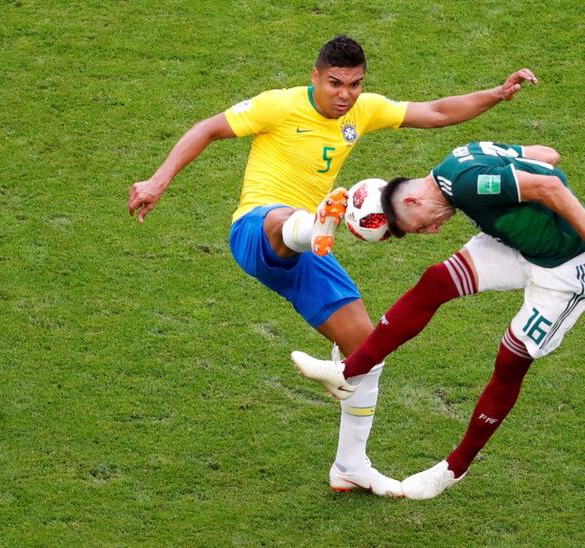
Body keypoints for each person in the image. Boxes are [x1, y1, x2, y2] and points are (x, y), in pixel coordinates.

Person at [128, 35, 541, 497]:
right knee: (282, 218)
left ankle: (350, 466)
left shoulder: (361, 111)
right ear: (315, 77)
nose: (346, 95)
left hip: (309, 252)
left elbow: (436, 112)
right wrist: (158, 180)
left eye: (355, 84)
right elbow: (207, 128)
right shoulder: (277, 106)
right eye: (335, 83)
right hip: (258, 230)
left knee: (367, 347)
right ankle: (317, 221)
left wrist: (496, 94)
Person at [292, 140, 585, 499]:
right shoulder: (455, 164)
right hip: (517, 243)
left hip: (569, 266)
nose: (430, 231)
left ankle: (455, 467)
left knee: (511, 358)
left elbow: (550, 184)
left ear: (411, 201)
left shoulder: (467, 185)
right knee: (436, 282)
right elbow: (548, 155)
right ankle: (348, 372)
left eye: (415, 227)